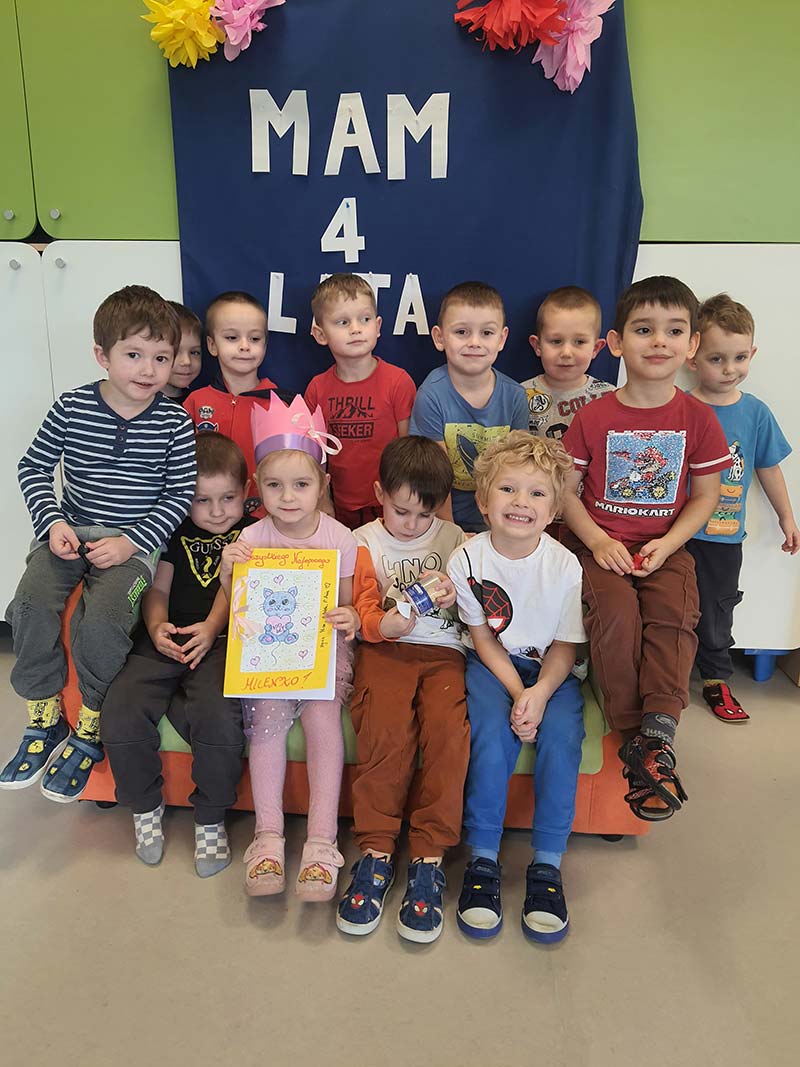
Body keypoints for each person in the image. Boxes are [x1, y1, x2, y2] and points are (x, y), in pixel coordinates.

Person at [1, 285, 196, 801]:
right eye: (133, 355)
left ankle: (90, 723)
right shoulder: (72, 407)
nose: (148, 369)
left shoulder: (174, 422)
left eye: (161, 358)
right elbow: (33, 467)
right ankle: (43, 716)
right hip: (69, 534)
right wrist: (51, 522)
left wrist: (133, 543)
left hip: (133, 548)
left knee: (104, 623)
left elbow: (179, 494)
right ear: (102, 355)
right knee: (28, 605)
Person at [561, 276, 731, 822]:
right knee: (616, 615)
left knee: (674, 615)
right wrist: (597, 540)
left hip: (666, 547)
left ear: (692, 344)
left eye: (674, 331)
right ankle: (636, 738)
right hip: (599, 547)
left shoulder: (698, 418)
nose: (659, 341)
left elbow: (706, 495)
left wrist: (668, 543)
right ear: (615, 343)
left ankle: (658, 731)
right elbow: (565, 492)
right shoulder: (593, 416)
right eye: (643, 330)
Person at [447, 431, 586, 944]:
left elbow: (566, 646)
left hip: (552, 671)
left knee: (563, 738)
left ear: (553, 510)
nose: (520, 502)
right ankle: (483, 857)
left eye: (536, 493)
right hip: (494, 666)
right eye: (507, 489)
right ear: (484, 501)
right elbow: (483, 638)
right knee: (488, 733)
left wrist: (539, 693)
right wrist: (516, 692)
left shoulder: (565, 565)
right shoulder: (466, 560)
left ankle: (547, 864)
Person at [220, 394, 360, 901]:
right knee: (265, 721)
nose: (288, 497)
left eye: (301, 485)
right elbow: (235, 601)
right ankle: (268, 837)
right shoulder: (252, 537)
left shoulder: (340, 538)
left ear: (322, 484)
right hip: (267, 655)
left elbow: (347, 605)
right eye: (274, 485)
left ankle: (322, 842)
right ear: (257, 487)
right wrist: (229, 568)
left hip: (323, 651)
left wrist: (351, 617)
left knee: (323, 722)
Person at [101, 433, 253, 876]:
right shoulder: (172, 530)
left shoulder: (252, 533)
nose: (217, 511)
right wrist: (156, 627)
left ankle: (211, 816)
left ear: (246, 491)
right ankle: (144, 806)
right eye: (202, 500)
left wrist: (211, 628)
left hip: (222, 641)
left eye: (228, 498)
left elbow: (236, 586)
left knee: (218, 715)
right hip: (167, 637)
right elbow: (158, 589)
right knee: (122, 708)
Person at [337, 436, 469, 944]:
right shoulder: (363, 541)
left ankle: (429, 856)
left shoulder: (456, 539)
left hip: (444, 654)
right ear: (379, 494)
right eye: (400, 511)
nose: (412, 524)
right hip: (385, 651)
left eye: (424, 514)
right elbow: (363, 610)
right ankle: (375, 850)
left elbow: (476, 608)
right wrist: (384, 624)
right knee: (384, 732)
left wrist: (459, 597)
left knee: (448, 737)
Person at [685, 293, 798, 722]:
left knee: (718, 610)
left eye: (739, 357)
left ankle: (715, 678)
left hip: (723, 535)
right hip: (676, 533)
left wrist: (786, 516)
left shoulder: (755, 413)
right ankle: (666, 677)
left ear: (753, 353)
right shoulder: (681, 407)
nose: (729, 369)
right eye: (717, 359)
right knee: (670, 606)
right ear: (693, 357)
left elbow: (768, 467)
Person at [409, 281, 529, 532]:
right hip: (442, 518)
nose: (474, 342)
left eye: (486, 333)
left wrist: (501, 529)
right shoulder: (431, 395)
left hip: (499, 518)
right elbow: (434, 476)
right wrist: (451, 533)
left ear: (502, 338)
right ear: (440, 337)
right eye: (462, 332)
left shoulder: (515, 396)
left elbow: (518, 471)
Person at [306, 273, 416, 529]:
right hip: (339, 508)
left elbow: (410, 450)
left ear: (377, 326)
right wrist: (323, 501)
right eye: (343, 322)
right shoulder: (317, 388)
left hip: (392, 506)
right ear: (320, 334)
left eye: (364, 319)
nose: (356, 329)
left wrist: (403, 504)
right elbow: (314, 457)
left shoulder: (398, 382)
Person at [183, 290, 292, 516]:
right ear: (212, 345)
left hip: (266, 517)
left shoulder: (281, 404)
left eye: (255, 339)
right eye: (232, 338)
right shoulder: (195, 402)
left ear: (265, 345)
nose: (245, 346)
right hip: (209, 515)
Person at [521, 285, 614, 440]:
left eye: (579, 342)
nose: (566, 353)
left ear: (596, 348)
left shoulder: (610, 397)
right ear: (537, 346)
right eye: (556, 341)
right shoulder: (518, 396)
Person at [162, 301, 203, 403]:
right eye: (176, 351)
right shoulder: (139, 405)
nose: (187, 361)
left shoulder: (198, 403)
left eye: (194, 352)